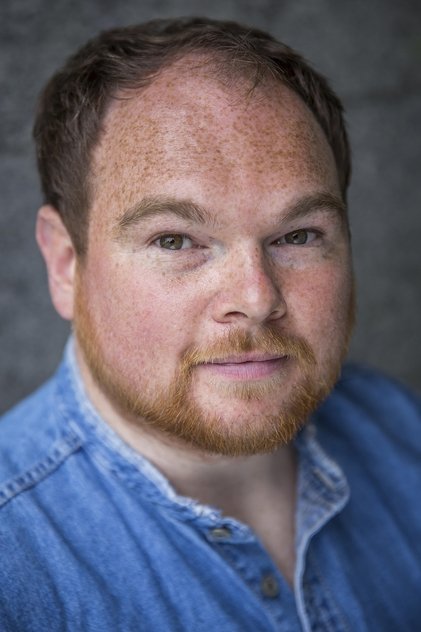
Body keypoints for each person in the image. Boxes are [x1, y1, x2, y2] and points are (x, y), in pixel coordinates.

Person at [0, 17, 420, 631]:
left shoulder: (403, 431)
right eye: (175, 240)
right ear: (66, 264)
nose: (256, 298)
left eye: (299, 235)